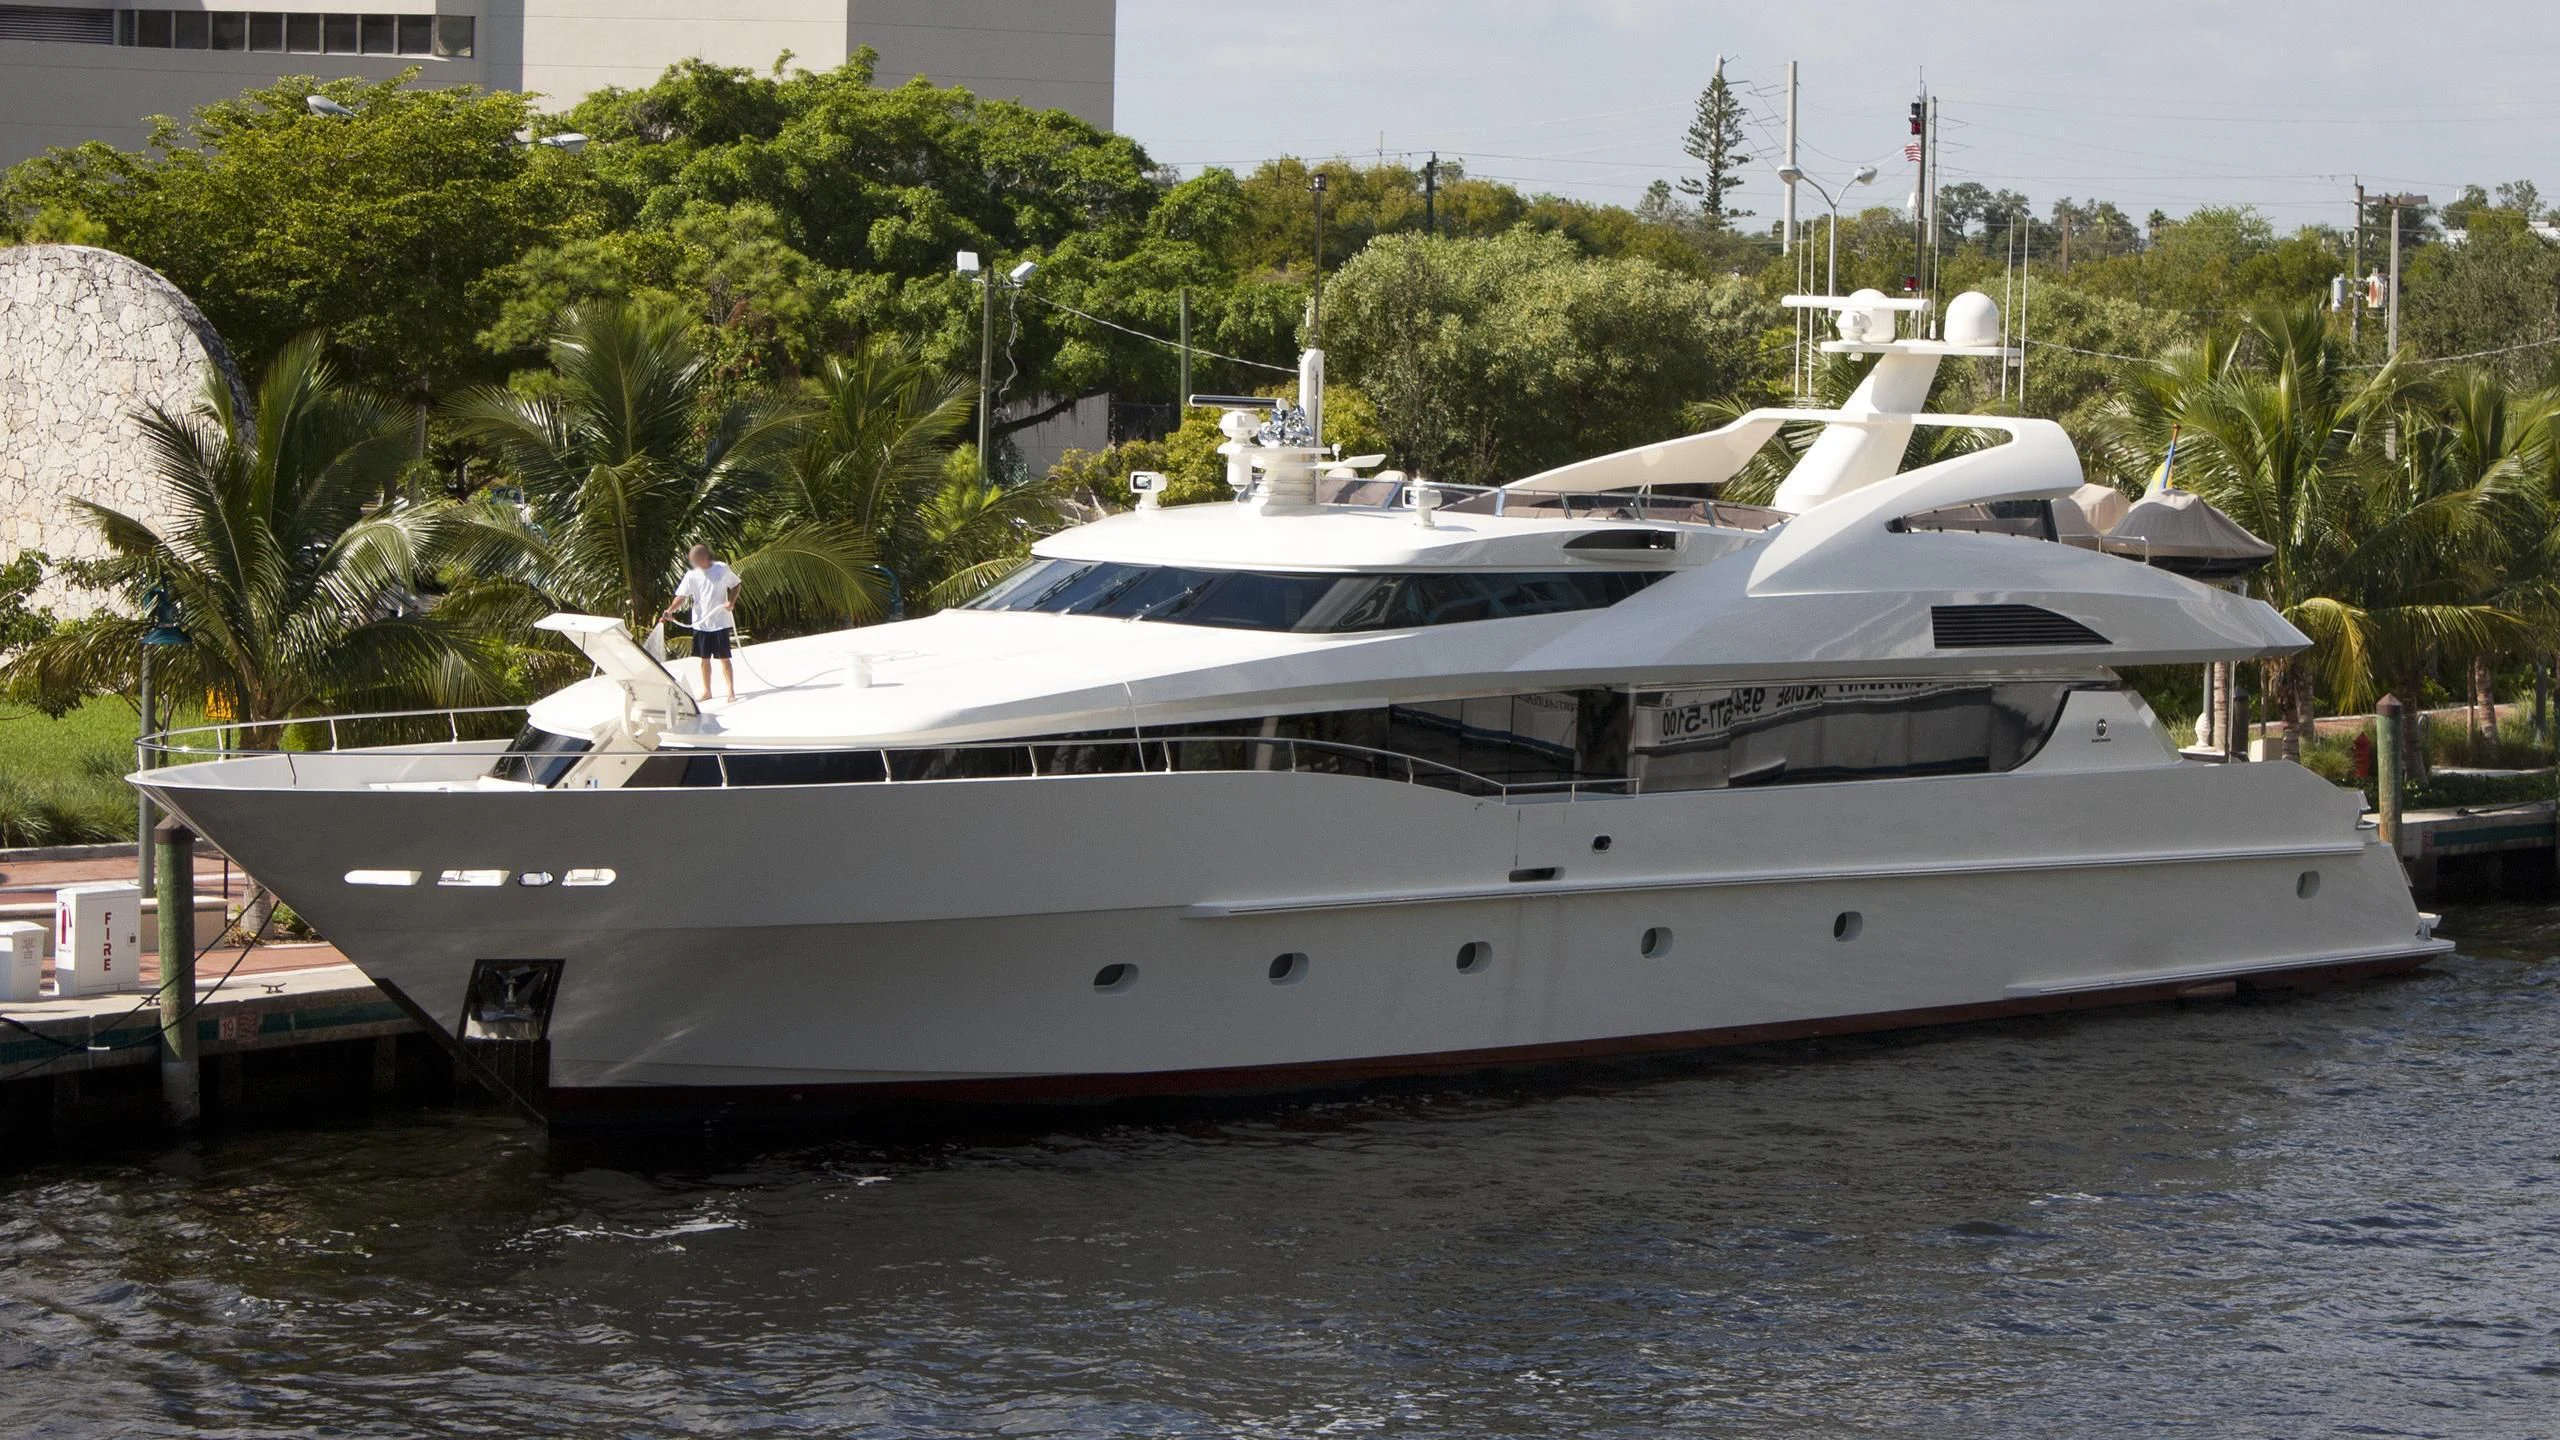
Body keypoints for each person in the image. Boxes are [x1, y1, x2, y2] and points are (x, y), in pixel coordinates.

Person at [662, 545, 742, 702]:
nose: (695, 564)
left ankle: (730, 691)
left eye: (697, 560)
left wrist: (731, 602)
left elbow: (736, 585)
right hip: (701, 624)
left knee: (724, 658)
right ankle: (707, 691)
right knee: (704, 659)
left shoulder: (721, 568)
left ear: (705, 557)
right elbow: (681, 596)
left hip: (720, 622)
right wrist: (670, 610)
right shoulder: (691, 575)